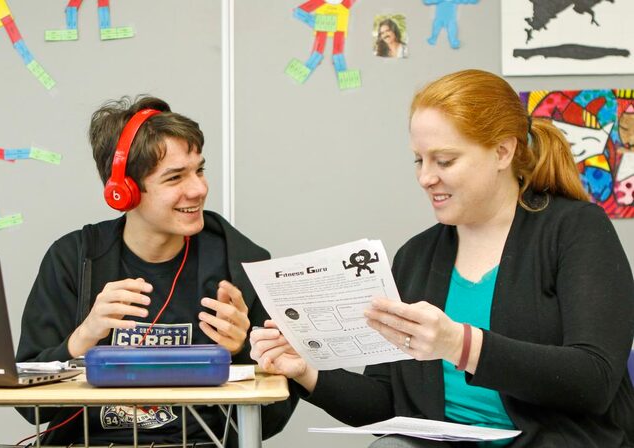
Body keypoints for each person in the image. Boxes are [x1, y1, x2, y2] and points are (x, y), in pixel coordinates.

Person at [250, 69, 634, 447]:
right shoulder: (415, 257)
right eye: (419, 160)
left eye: (444, 161)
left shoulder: (575, 229)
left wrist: (460, 344)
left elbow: (594, 380)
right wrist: (306, 372)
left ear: (503, 151)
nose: (426, 177)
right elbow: (389, 404)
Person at [16, 96, 296, 446]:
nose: (198, 188)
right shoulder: (73, 258)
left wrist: (240, 352)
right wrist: (83, 337)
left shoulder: (240, 263)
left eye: (199, 170)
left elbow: (270, 422)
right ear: (124, 191)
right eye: (175, 177)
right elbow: (30, 408)